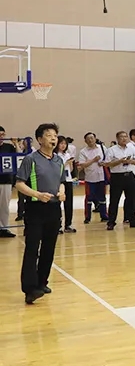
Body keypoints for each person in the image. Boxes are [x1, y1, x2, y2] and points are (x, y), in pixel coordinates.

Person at [16, 123, 65, 304]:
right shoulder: (31, 159)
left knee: (49, 248)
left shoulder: (59, 160)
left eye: (55, 135)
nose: (53, 138)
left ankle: (42, 282)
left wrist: (62, 192)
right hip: (35, 209)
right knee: (32, 248)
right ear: (39, 139)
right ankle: (30, 289)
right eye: (49, 135)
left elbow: (61, 181)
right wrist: (37, 194)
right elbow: (19, 183)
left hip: (54, 209)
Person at [105, 130, 135, 230]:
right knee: (114, 200)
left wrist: (130, 161)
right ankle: (111, 222)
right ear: (117, 138)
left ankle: (132, 220)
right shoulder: (112, 150)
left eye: (125, 137)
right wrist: (119, 161)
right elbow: (107, 164)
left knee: (131, 199)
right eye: (121, 137)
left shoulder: (131, 149)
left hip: (129, 175)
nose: (124, 139)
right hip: (117, 176)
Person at [56, 136, 77, 234]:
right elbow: (56, 169)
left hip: (68, 179)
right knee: (57, 203)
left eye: (65, 143)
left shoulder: (67, 154)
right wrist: (66, 163)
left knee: (69, 203)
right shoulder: (55, 155)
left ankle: (68, 224)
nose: (63, 145)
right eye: (61, 143)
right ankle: (58, 226)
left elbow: (71, 169)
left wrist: (71, 163)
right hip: (58, 181)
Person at [0, 127, 17, 239]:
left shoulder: (9, 147)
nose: (1, 137)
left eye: (3, 135)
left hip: (6, 180)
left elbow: (19, 157)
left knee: (4, 205)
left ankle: (3, 228)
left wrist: (16, 144)